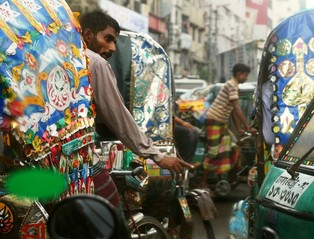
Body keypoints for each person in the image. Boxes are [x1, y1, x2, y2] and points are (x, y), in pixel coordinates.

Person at [79, 10, 192, 208]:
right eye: (108, 39)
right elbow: (118, 116)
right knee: (111, 210)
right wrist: (157, 155)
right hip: (79, 159)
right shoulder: (96, 63)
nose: (113, 47)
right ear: (88, 35)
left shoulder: (64, 57)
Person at [198, 63, 256, 188]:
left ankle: (230, 177)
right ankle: (202, 182)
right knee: (213, 152)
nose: (246, 78)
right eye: (245, 75)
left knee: (234, 147)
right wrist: (248, 128)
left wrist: (240, 128)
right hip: (214, 121)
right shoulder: (231, 85)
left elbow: (232, 110)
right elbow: (236, 108)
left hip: (221, 123)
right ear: (239, 74)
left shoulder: (233, 85)